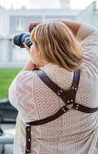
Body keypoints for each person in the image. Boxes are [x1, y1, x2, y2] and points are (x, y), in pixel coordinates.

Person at [9, 21, 98, 154]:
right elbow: (92, 33)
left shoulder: (24, 85)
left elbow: (23, 76)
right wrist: (52, 24)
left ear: (40, 50)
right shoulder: (91, 67)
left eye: (33, 45)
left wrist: (33, 59)